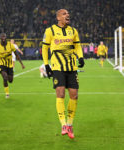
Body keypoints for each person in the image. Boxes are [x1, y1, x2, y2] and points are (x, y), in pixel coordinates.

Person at [42, 9, 84, 139]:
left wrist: (81, 57)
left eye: (68, 14)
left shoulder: (73, 31)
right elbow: (45, 48)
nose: (68, 15)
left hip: (72, 67)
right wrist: (46, 65)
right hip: (57, 67)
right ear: (58, 17)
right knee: (60, 93)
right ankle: (63, 124)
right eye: (64, 14)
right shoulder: (50, 31)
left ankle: (70, 124)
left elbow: (77, 46)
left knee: (74, 95)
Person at [0, 33, 25, 98]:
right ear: (0, 38)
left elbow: (17, 55)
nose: (3, 38)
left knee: (10, 80)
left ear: (6, 37)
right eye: (2, 37)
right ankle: (7, 94)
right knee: (5, 78)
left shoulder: (11, 45)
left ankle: (7, 78)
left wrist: (21, 64)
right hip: (2, 65)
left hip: (10, 65)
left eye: (4, 37)